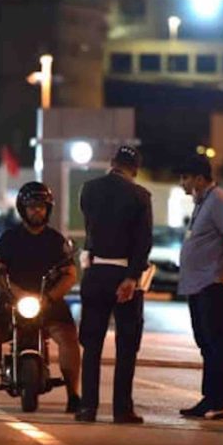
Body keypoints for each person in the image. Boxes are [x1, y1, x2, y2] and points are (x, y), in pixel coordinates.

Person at [0, 182, 81, 412]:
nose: (37, 210)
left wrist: (50, 297)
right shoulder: (9, 238)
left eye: (41, 206)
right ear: (22, 209)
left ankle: (74, 395)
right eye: (32, 206)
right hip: (13, 297)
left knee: (68, 336)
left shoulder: (55, 240)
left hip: (48, 299)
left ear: (48, 209)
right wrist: (13, 292)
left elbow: (70, 275)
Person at [75, 146, 153, 424]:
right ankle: (122, 409)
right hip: (124, 275)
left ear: (112, 163)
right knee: (126, 345)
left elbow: (90, 227)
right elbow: (143, 242)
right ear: (135, 169)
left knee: (92, 344)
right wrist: (132, 277)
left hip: (95, 272)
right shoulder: (140, 196)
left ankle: (88, 407)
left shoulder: (89, 189)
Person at [175, 156, 223, 421]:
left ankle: (219, 402)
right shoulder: (202, 203)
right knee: (205, 342)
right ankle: (209, 398)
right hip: (198, 284)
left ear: (199, 179)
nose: (182, 183)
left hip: (213, 282)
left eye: (185, 178)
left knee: (216, 342)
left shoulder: (218, 200)